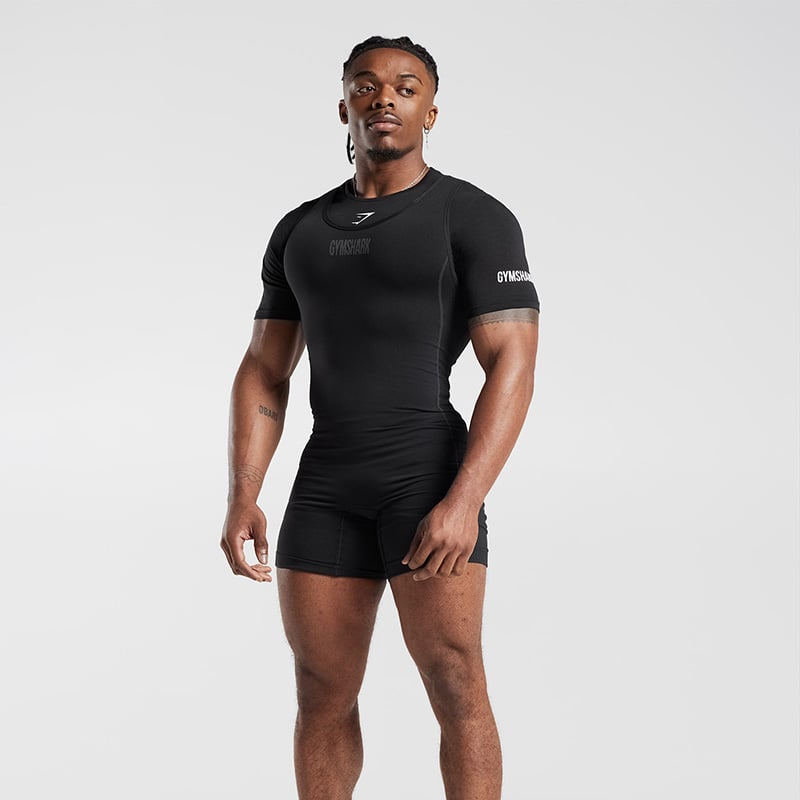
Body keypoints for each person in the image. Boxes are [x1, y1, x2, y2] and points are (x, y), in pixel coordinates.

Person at [220, 34, 540, 800]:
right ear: (344, 107)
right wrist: (243, 492)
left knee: (454, 678)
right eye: (365, 85)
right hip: (325, 484)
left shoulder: (473, 216)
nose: (384, 97)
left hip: (425, 478)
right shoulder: (300, 230)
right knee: (320, 689)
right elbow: (265, 368)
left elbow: (514, 362)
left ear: (431, 111)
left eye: (405, 86)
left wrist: (464, 499)